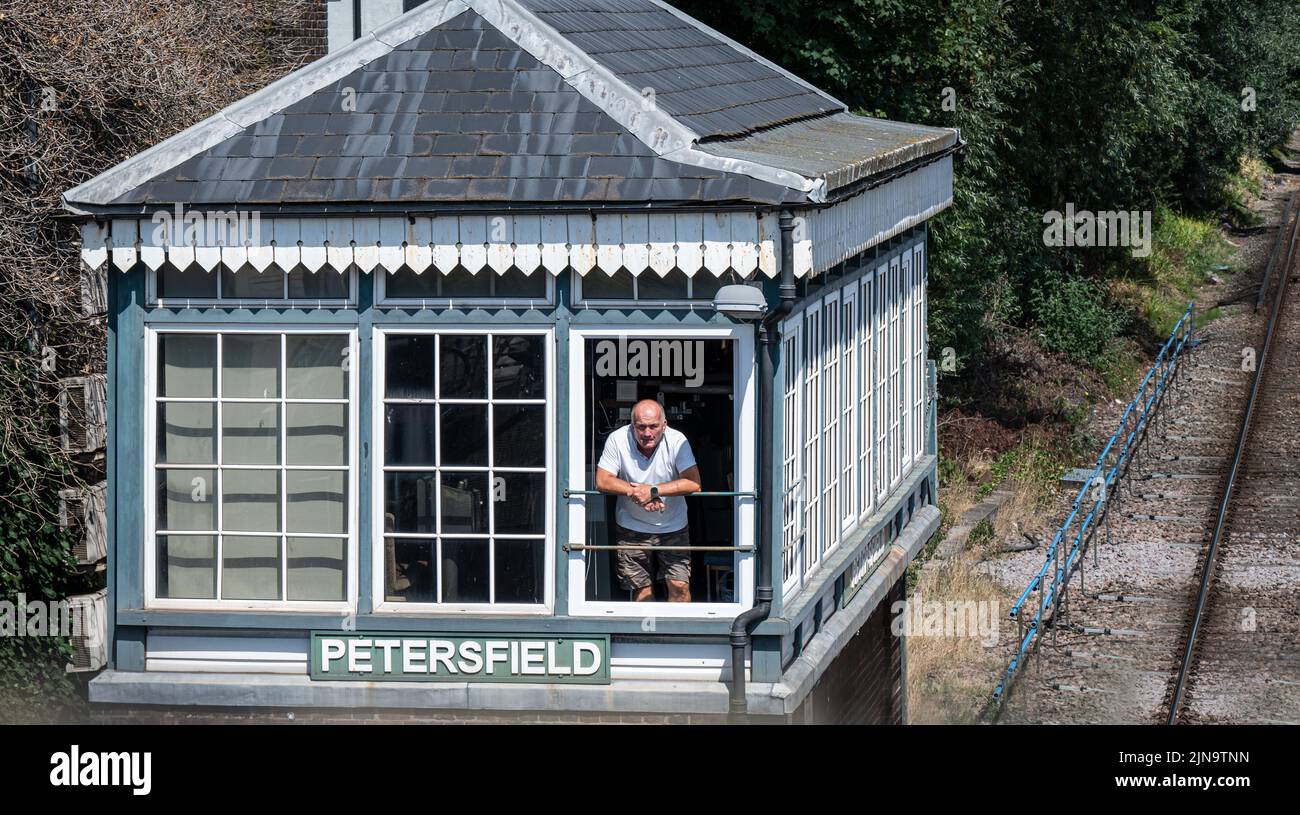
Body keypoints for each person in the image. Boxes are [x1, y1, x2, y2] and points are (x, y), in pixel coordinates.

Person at [595, 399, 701, 601]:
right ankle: (647, 633)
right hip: (631, 525)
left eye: (653, 426)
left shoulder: (677, 441)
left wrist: (652, 490)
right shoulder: (617, 439)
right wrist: (639, 494)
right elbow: (602, 480)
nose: (647, 433)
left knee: (679, 586)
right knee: (641, 591)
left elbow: (694, 483)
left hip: (673, 525)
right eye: (641, 427)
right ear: (632, 425)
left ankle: (676, 633)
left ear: (664, 425)